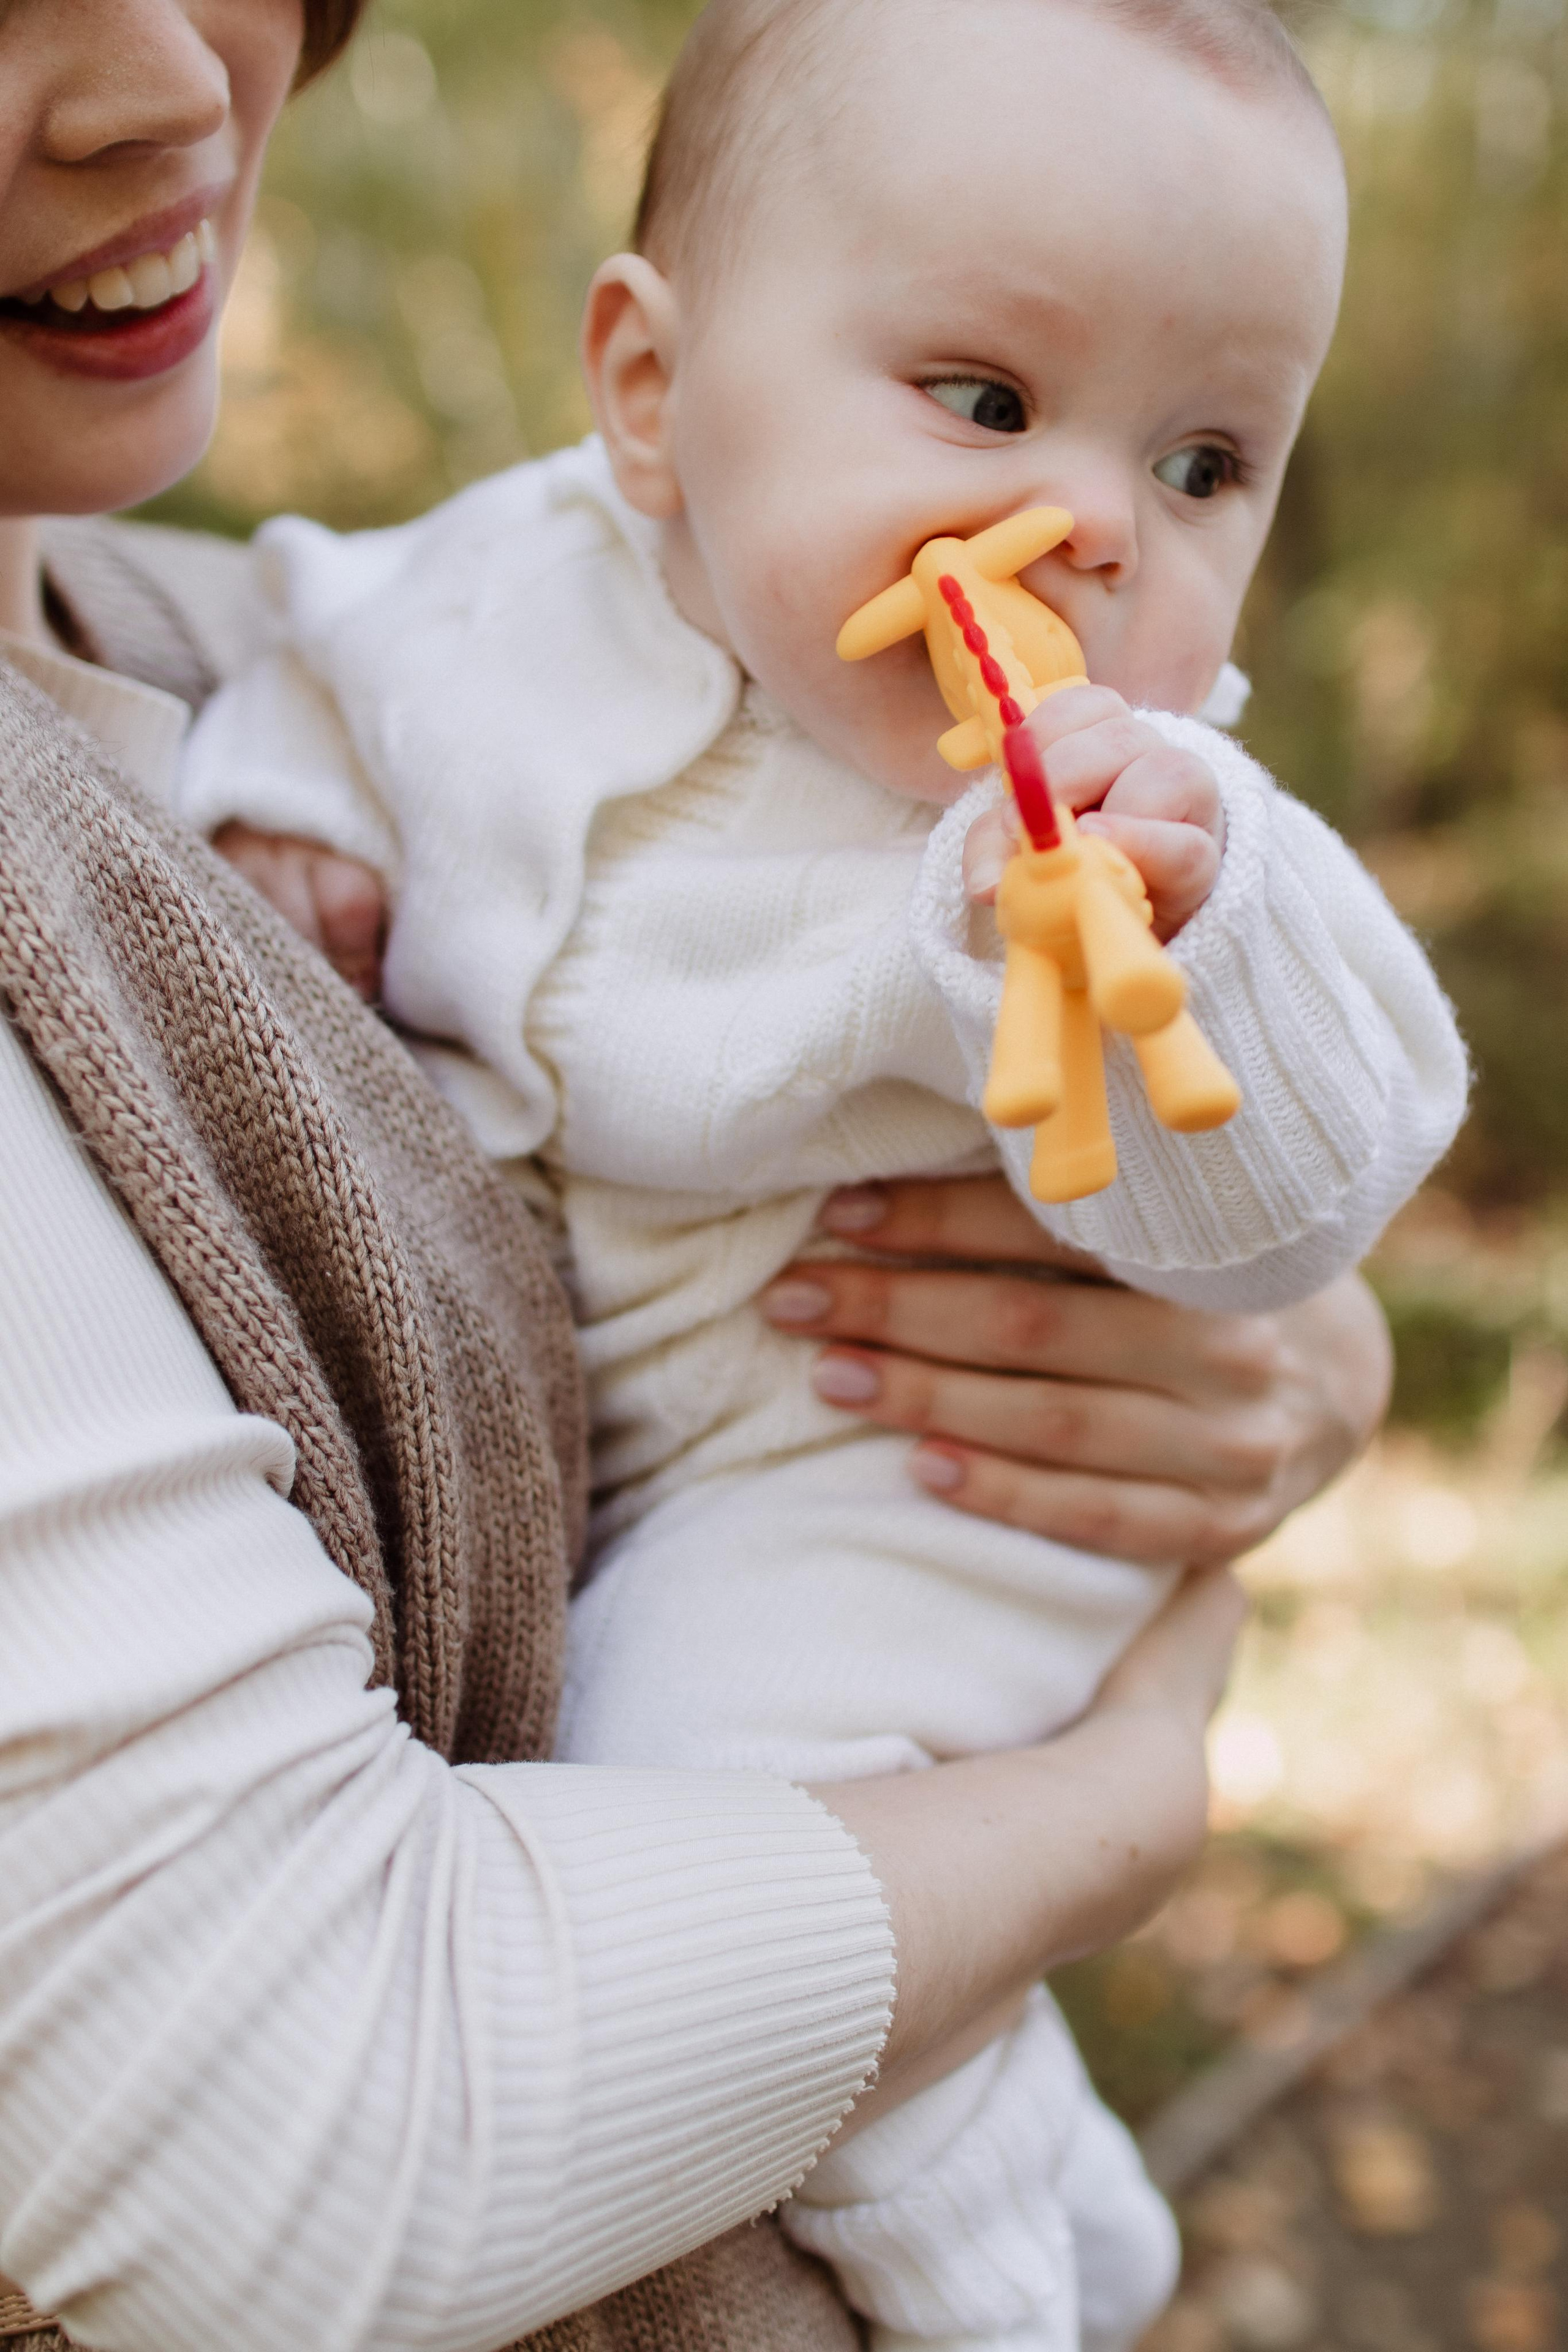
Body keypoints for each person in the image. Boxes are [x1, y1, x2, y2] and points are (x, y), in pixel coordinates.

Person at [0, 4, 1393, 2350]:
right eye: (983, 401)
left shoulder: (1145, 808)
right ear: (649, 394)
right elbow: (364, 694)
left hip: (862, 1464)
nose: (1092, 527)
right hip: (710, 1437)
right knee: (726, 1856)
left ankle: (982, 2269)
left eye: (1205, 464)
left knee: (713, 1761)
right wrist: (1135, 1803)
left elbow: (1323, 1129)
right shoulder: (508, 594)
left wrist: (1227, 1057)